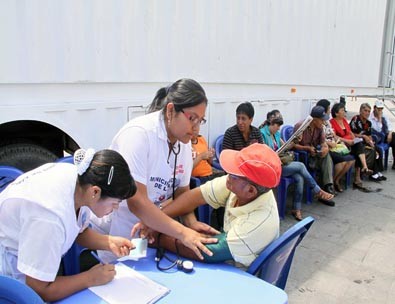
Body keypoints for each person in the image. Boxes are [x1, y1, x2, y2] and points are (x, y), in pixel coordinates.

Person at [90, 78, 218, 263]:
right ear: (171, 110)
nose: (196, 128)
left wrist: (191, 222)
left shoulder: (183, 142)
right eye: (192, 118)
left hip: (152, 225)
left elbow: (183, 194)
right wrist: (183, 233)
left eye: (201, 120)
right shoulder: (139, 135)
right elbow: (137, 203)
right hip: (119, 223)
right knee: (121, 277)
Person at [0, 148, 137, 302]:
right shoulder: (49, 217)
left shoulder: (81, 180)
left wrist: (109, 242)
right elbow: (39, 289)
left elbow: (77, 229)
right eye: (115, 203)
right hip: (9, 276)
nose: (115, 209)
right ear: (95, 192)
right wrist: (90, 278)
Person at [153, 143, 281, 269]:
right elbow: (194, 197)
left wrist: (158, 238)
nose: (228, 176)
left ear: (250, 191)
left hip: (240, 276)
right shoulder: (237, 186)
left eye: (234, 175)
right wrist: (155, 221)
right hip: (230, 254)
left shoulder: (258, 222)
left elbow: (208, 252)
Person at [260, 110, 334, 220]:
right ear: (270, 123)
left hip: (281, 163)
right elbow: (263, 154)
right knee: (300, 166)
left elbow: (285, 146)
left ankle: (296, 208)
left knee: (299, 178)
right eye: (277, 125)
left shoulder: (276, 133)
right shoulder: (262, 134)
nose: (279, 128)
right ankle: (317, 190)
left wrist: (295, 141)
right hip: (272, 167)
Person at [293, 105, 336, 198]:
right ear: (315, 119)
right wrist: (306, 148)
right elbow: (293, 145)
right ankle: (325, 188)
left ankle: (328, 185)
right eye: (322, 120)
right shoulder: (301, 126)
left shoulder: (319, 128)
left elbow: (323, 143)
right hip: (303, 156)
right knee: (325, 160)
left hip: (315, 154)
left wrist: (325, 149)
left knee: (327, 155)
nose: (324, 122)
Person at [316, 99, 355, 193]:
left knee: (351, 160)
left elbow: (333, 135)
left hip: (335, 145)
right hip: (328, 147)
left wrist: (337, 141)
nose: (330, 111)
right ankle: (331, 183)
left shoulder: (327, 122)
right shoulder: (319, 123)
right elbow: (319, 138)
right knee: (342, 162)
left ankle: (336, 180)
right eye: (329, 108)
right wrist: (330, 143)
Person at [349, 103, 386, 182]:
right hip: (356, 142)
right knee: (371, 150)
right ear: (360, 111)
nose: (367, 113)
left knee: (377, 149)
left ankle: (377, 171)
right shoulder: (355, 119)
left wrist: (371, 141)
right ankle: (373, 173)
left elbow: (369, 135)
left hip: (365, 142)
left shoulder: (368, 123)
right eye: (365, 111)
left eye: (369, 111)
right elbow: (351, 133)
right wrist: (363, 136)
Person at [369, 99, 395, 170]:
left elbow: (389, 126)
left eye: (381, 109)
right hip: (377, 136)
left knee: (394, 136)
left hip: (385, 134)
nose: (380, 111)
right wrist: (379, 119)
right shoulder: (370, 118)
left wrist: (390, 133)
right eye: (378, 109)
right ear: (374, 108)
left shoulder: (384, 115)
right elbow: (378, 130)